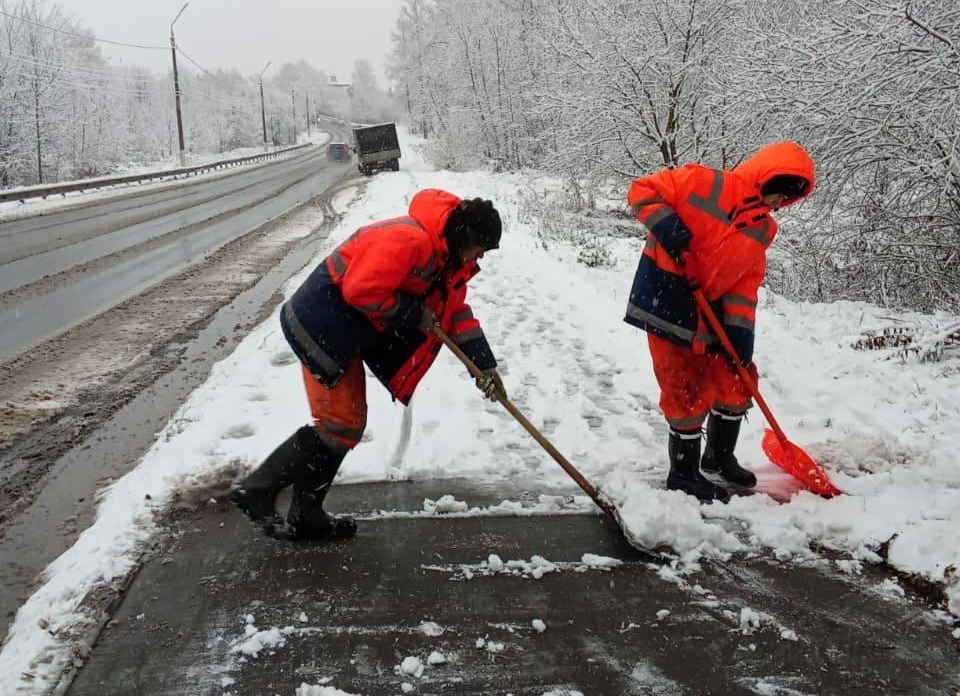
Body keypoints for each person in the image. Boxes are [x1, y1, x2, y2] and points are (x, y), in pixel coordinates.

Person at [230, 189, 507, 539]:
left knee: (344, 424)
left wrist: (484, 366)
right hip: (320, 322)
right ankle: (258, 490)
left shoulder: (447, 262)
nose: (480, 256)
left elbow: (454, 315)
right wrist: (412, 314)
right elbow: (361, 290)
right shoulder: (409, 240)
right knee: (340, 422)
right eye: (480, 248)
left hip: (344, 328)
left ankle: (305, 513)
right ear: (462, 236)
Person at [624, 142, 815, 502]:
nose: (778, 204)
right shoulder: (704, 182)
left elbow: (745, 283)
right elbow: (642, 190)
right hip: (666, 293)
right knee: (683, 385)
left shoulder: (763, 229)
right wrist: (671, 230)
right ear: (767, 177)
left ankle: (719, 457)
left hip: (712, 305)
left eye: (785, 201)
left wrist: (740, 335)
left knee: (737, 377)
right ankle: (683, 473)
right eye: (778, 194)